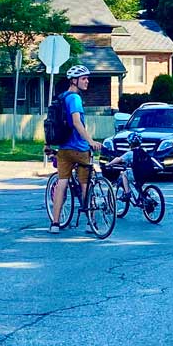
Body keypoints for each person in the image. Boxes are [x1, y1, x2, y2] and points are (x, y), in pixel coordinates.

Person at [49, 65, 103, 234]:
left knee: (62, 183)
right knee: (85, 184)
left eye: (87, 78)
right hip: (79, 149)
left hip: (63, 148)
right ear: (74, 81)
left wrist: (47, 144)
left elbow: (51, 122)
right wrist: (90, 141)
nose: (87, 81)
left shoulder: (61, 97)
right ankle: (90, 222)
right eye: (84, 79)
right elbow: (77, 122)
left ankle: (55, 223)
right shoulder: (75, 99)